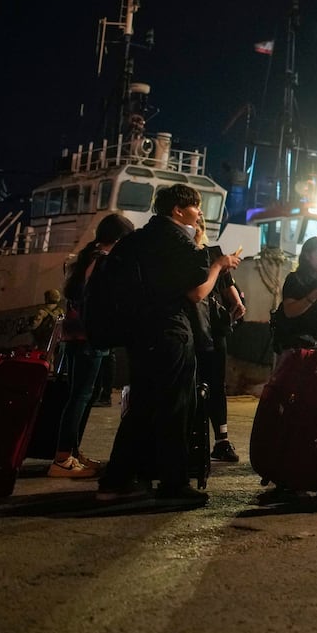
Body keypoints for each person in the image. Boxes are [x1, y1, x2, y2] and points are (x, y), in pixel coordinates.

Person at [95, 183, 241, 504]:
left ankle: (115, 482)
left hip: (139, 333)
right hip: (168, 331)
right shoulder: (176, 240)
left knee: (143, 406)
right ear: (178, 210)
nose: (200, 212)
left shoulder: (140, 238)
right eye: (196, 206)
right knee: (176, 407)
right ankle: (174, 485)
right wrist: (219, 264)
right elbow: (196, 292)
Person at [49, 213, 134, 478]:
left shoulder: (86, 257)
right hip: (90, 335)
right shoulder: (102, 261)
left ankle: (73, 452)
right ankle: (63, 458)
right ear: (119, 239)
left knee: (80, 395)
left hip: (76, 334)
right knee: (81, 396)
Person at [193, 220, 245, 464]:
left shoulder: (213, 253)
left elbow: (228, 287)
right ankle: (191, 440)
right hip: (190, 326)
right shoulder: (183, 254)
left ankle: (221, 440)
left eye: (199, 222)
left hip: (213, 326)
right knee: (192, 384)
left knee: (215, 383)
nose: (196, 225)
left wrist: (237, 304)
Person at [274, 237, 317, 351]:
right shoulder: (294, 279)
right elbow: (289, 311)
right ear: (307, 255)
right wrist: (312, 298)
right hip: (298, 336)